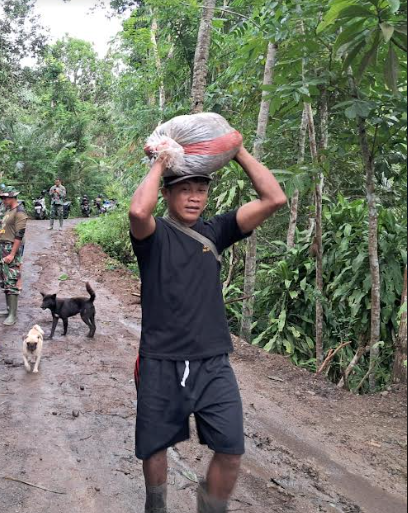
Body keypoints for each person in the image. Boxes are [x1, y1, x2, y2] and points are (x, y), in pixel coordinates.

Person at [129, 144, 286, 513]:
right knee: (154, 446)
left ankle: (210, 507)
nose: (194, 197)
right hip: (160, 360)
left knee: (230, 449)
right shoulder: (152, 236)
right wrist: (161, 161)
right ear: (166, 194)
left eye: (201, 189)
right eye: (184, 189)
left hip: (213, 362)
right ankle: (156, 507)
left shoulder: (216, 231)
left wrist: (238, 151)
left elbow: (274, 198)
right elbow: (138, 210)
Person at [0, 186, 27, 326]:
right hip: (2, 247)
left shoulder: (20, 212)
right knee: (4, 280)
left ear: (13, 197)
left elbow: (19, 235)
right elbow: (2, 232)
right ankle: (8, 309)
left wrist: (12, 254)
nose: (4, 200)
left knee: (11, 280)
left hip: (12, 247)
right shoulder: (7, 211)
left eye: (6, 198)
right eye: (2, 198)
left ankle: (13, 314)